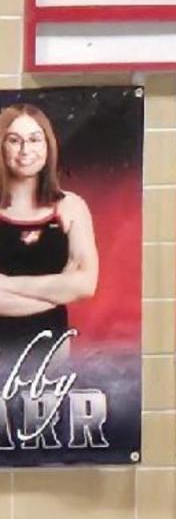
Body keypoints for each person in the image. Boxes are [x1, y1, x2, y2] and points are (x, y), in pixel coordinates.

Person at [0, 103, 99, 349]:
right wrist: (56, 293)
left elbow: (85, 284)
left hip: (51, 352)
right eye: (14, 140)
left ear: (48, 145)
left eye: (35, 140)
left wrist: (6, 284)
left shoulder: (71, 207)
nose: (25, 150)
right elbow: (70, 288)